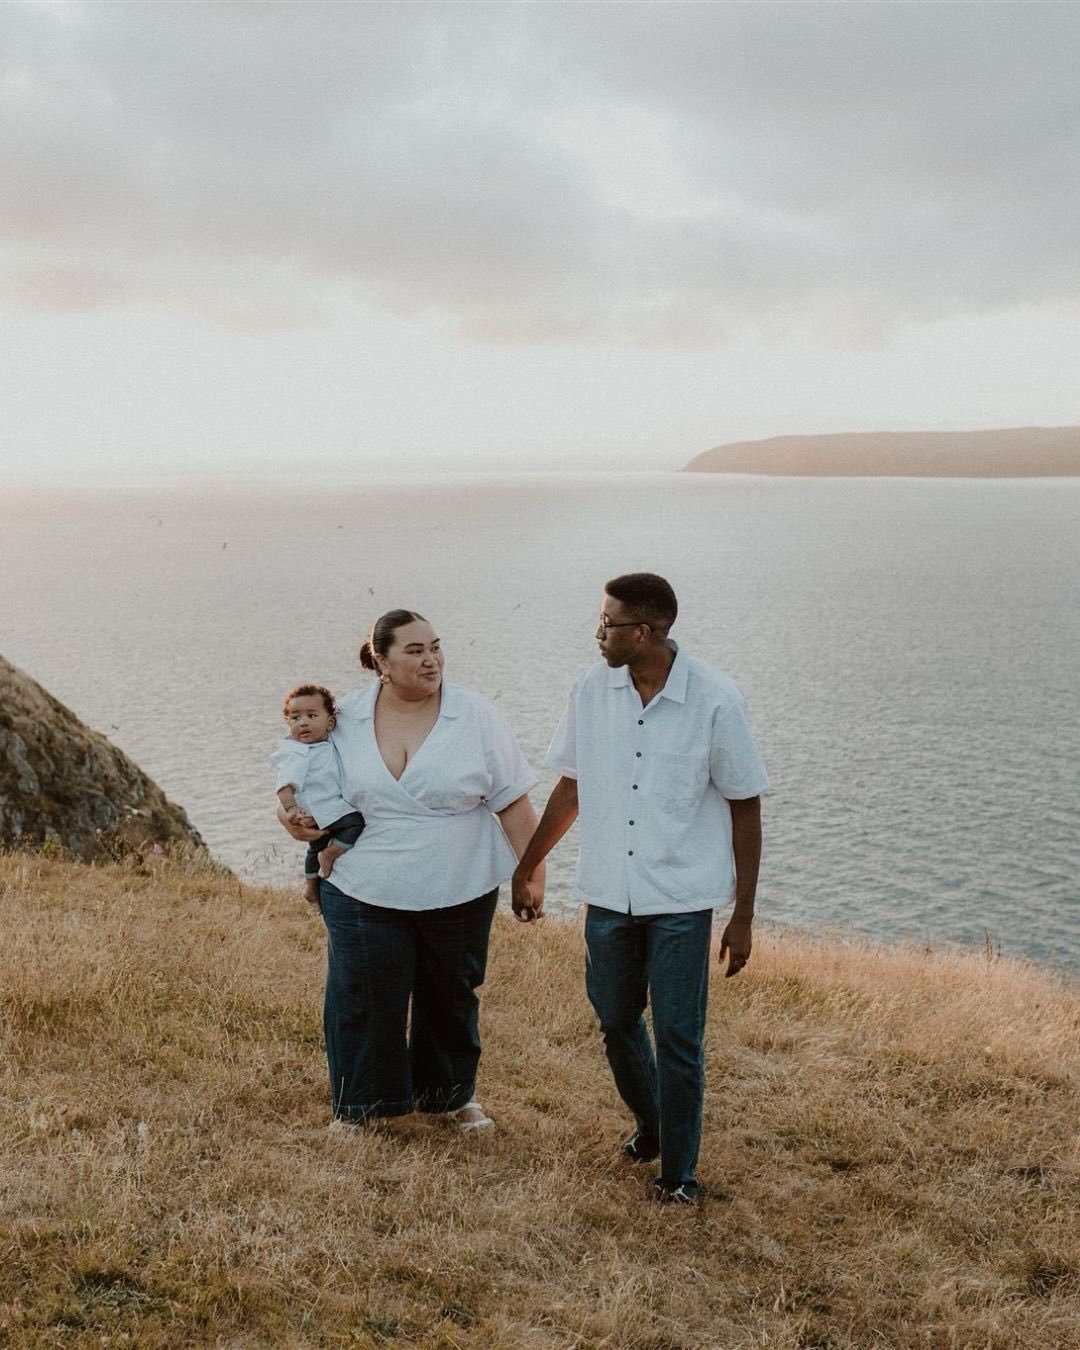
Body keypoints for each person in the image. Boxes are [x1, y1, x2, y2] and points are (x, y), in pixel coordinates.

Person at [512, 573, 767, 1204]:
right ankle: (652, 1127)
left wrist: (743, 915)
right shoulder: (589, 690)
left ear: (645, 632)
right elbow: (571, 786)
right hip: (608, 893)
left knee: (679, 1038)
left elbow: (745, 805)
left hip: (681, 898)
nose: (597, 633)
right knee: (615, 1019)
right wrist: (530, 864)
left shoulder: (715, 698)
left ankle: (678, 1176)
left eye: (608, 624)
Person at [279, 609, 543, 1132]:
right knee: (362, 992)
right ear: (381, 661)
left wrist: (531, 874)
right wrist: (288, 818)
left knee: (451, 992)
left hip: (460, 879)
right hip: (361, 879)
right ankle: (359, 1109)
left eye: (436, 647)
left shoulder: (476, 715)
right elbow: (298, 775)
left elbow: (513, 801)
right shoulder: (343, 718)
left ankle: (449, 1098)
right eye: (415, 650)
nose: (431, 660)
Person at [272, 684, 367, 909]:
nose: (303, 722)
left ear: (330, 723)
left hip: (321, 809)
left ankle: (311, 888)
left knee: (314, 847)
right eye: (295, 718)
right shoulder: (296, 752)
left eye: (312, 716)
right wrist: (291, 809)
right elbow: (284, 785)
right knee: (355, 823)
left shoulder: (324, 743)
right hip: (322, 808)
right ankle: (331, 854)